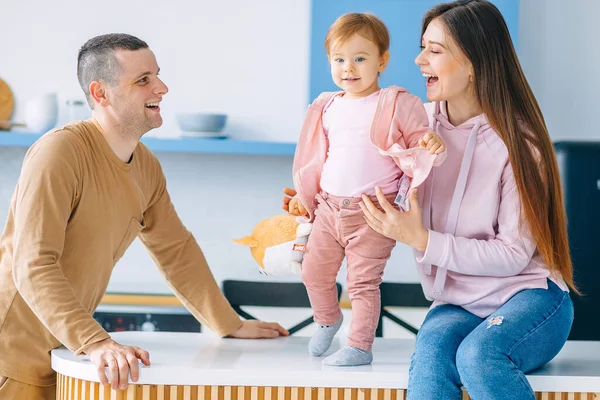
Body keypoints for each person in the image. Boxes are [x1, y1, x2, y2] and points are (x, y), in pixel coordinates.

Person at [0, 33, 287, 400]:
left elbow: (176, 251)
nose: (162, 87)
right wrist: (96, 342)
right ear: (101, 94)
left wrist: (228, 324)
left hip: (63, 356)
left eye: (157, 75)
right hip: (12, 361)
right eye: (143, 80)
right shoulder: (59, 152)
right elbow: (33, 263)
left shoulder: (146, 166)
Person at [357, 1, 574, 398]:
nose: (420, 59)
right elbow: (366, 181)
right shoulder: (413, 128)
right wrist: (311, 202)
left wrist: (423, 240)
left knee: (478, 354)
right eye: (423, 47)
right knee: (430, 357)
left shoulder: (520, 146)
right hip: (456, 303)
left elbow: (512, 254)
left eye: (435, 50)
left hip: (531, 299)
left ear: (473, 63)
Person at [288, 12, 445, 367]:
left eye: (360, 58)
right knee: (313, 272)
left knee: (362, 282)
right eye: (339, 59)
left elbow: (419, 140)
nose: (349, 68)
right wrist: (305, 194)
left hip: (373, 210)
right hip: (329, 208)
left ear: (382, 61)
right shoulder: (327, 106)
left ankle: (359, 346)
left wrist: (430, 142)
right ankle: (328, 319)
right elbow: (316, 156)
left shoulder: (396, 102)